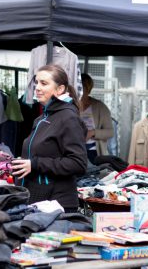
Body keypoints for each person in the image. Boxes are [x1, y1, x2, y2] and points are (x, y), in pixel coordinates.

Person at [12, 64, 88, 212]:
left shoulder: (68, 117)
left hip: (57, 205)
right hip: (36, 201)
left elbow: (78, 163)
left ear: (60, 89)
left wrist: (34, 164)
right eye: (37, 83)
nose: (37, 88)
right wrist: (22, 164)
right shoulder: (42, 118)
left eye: (44, 83)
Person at [79, 73, 114, 162]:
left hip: (93, 152)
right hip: (74, 151)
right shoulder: (70, 105)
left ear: (88, 89)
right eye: (78, 88)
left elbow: (110, 132)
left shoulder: (100, 106)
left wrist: (92, 133)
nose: (80, 92)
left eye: (83, 88)